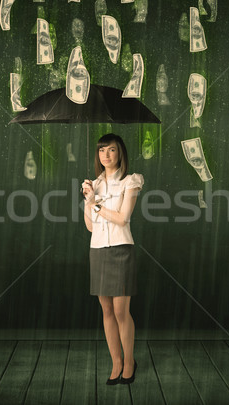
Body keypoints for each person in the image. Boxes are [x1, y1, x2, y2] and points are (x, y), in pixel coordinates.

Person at [81, 133, 144, 385]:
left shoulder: (131, 181)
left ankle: (129, 361)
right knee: (106, 310)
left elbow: (122, 218)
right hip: (97, 250)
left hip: (121, 249)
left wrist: (95, 204)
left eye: (112, 150)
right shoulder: (94, 184)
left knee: (120, 310)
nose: (106, 155)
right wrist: (88, 200)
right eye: (101, 151)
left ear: (121, 153)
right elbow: (90, 227)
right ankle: (116, 362)